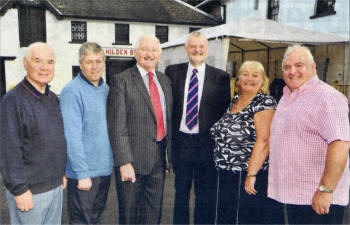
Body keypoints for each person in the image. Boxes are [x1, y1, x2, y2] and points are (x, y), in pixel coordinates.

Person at [268, 45, 350, 224]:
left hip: (318, 198)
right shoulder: (287, 96)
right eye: (287, 67)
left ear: (313, 67)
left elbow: (340, 145)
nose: (292, 72)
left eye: (299, 65)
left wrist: (326, 190)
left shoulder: (327, 97)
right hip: (297, 197)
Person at [165, 31, 231, 224]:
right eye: (193, 46)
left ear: (207, 49)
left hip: (206, 146)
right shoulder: (172, 72)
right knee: (181, 195)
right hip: (182, 143)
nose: (197, 50)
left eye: (201, 46)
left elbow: (223, 114)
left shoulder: (221, 77)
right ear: (186, 49)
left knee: (205, 197)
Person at [107, 35, 172, 225]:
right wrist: (124, 161)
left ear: (159, 54)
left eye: (153, 50)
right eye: (144, 49)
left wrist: (167, 157)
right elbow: (117, 124)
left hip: (158, 163)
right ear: (135, 53)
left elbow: (166, 120)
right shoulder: (121, 81)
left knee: (153, 216)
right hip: (132, 163)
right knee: (130, 217)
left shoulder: (165, 81)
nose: (149, 54)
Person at [0, 42, 67, 225]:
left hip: (54, 187)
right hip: (30, 192)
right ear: (25, 64)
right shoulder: (12, 101)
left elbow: (55, 140)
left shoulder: (52, 98)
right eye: (38, 61)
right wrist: (20, 190)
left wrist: (60, 172)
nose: (45, 67)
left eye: (50, 62)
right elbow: (8, 151)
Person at [210, 61, 277, 224]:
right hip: (226, 174)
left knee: (245, 219)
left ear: (263, 80)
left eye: (255, 75)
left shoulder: (264, 102)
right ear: (238, 78)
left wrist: (251, 174)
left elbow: (264, 140)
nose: (249, 78)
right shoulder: (236, 101)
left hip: (247, 175)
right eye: (245, 74)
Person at [59, 42, 113, 224]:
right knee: (81, 221)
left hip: (104, 170)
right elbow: (71, 136)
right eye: (89, 61)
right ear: (80, 64)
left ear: (104, 62)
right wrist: (82, 173)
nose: (95, 66)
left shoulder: (106, 90)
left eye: (99, 61)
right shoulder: (71, 91)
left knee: (96, 220)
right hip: (83, 174)